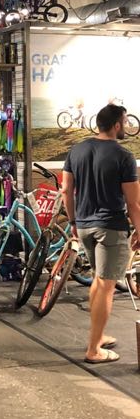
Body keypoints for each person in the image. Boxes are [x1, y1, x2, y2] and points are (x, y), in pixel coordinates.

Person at [62, 103, 140, 364]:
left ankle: (98, 334)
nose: (126, 126)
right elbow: (133, 203)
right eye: (125, 122)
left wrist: (73, 221)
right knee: (106, 286)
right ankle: (94, 349)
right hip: (110, 228)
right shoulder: (123, 156)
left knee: (99, 280)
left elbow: (66, 190)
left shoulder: (77, 150)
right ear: (117, 125)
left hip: (84, 225)